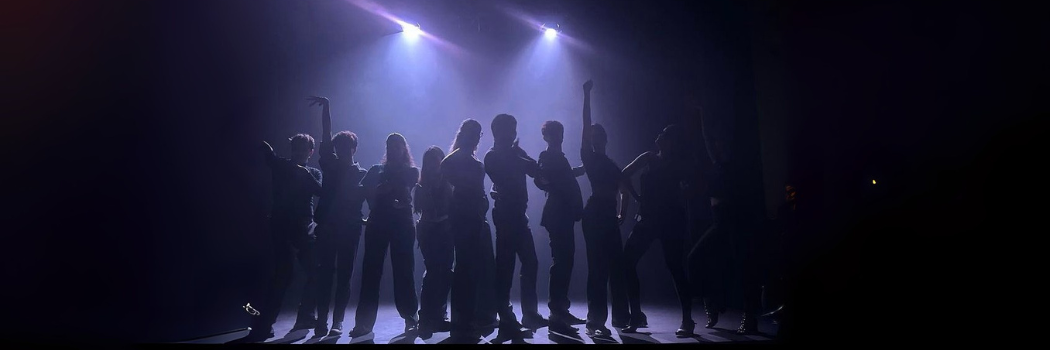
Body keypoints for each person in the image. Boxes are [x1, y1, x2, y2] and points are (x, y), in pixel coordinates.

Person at [236, 134, 322, 343]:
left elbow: (319, 190)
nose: (299, 153)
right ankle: (264, 326)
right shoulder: (282, 166)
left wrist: (301, 172)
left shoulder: (313, 172)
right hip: (282, 229)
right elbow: (270, 157)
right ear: (292, 150)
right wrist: (265, 149)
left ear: (310, 152)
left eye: (303, 149)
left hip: (304, 230)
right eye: (296, 148)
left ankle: (305, 317)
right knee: (283, 276)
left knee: (315, 273)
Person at [620, 124, 698, 337]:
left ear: (672, 141)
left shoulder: (677, 164)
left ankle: (687, 320)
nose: (658, 136)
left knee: (675, 267)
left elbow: (690, 189)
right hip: (649, 219)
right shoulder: (649, 157)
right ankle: (635, 315)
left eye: (664, 135)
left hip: (671, 221)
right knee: (628, 261)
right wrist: (637, 199)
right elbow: (624, 175)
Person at [306, 96, 368, 337]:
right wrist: (327, 108)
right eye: (338, 146)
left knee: (344, 274)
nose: (342, 150)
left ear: (353, 149)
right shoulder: (330, 165)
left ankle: (337, 321)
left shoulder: (361, 173)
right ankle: (322, 319)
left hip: (350, 228)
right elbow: (326, 133)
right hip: (329, 226)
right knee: (325, 273)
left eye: (346, 147)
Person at [348, 133, 420, 337]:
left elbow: (407, 195)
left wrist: (390, 194)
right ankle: (363, 323)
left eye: (397, 146)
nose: (392, 149)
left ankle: (410, 318)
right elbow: (360, 192)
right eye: (389, 146)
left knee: (404, 271)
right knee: (371, 272)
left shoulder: (410, 171)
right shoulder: (375, 170)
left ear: (403, 149)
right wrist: (377, 193)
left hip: (402, 225)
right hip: (378, 223)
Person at [576, 80, 630, 337]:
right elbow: (585, 126)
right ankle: (595, 320)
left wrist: (622, 211)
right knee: (598, 267)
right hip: (596, 213)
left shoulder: (610, 162)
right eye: (593, 136)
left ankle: (620, 317)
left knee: (616, 266)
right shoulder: (589, 157)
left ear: (605, 139)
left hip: (607, 214)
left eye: (599, 135)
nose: (595, 138)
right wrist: (586, 95)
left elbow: (623, 187)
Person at [484, 114, 546, 334]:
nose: (513, 133)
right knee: (506, 267)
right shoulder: (492, 156)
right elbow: (523, 166)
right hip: (506, 216)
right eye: (509, 129)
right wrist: (528, 163)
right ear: (497, 132)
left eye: (514, 129)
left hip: (518, 215)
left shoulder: (514, 152)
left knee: (530, 262)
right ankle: (506, 315)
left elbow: (534, 169)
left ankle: (529, 314)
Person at [534, 120, 587, 334]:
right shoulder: (548, 156)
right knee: (562, 261)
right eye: (555, 133)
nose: (560, 137)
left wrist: (577, 171)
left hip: (562, 215)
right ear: (546, 136)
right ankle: (557, 312)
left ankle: (560, 310)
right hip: (557, 215)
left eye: (561, 133)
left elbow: (557, 177)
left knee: (565, 260)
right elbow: (543, 179)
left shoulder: (556, 157)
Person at [440, 119, 490, 343]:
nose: (477, 137)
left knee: (470, 270)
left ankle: (466, 319)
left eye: (479, 133)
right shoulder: (456, 160)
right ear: (465, 134)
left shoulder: (469, 159)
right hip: (464, 219)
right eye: (474, 132)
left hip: (474, 218)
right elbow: (453, 184)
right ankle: (462, 321)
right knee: (465, 270)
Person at [414, 146, 455, 337]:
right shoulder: (422, 186)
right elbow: (428, 212)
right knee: (432, 273)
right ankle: (425, 318)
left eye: (437, 159)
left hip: (445, 230)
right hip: (430, 230)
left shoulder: (448, 182)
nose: (435, 163)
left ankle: (438, 316)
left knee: (445, 273)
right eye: (431, 160)